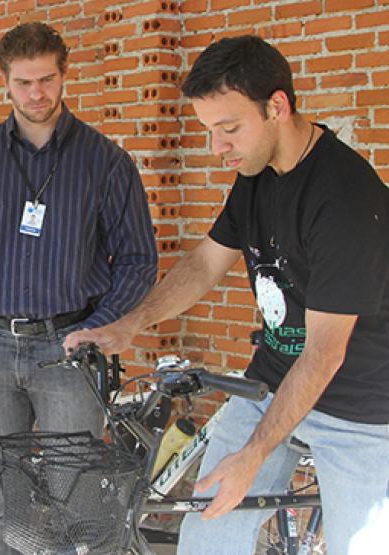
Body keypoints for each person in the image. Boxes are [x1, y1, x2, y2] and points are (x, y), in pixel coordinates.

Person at [64, 35, 389, 555]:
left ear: (277, 106)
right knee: (209, 535)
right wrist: (132, 322)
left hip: (359, 410)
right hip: (270, 386)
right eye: (210, 131)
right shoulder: (257, 174)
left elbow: (325, 352)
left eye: (229, 128)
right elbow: (203, 263)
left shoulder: (346, 200)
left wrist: (253, 456)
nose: (218, 148)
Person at [0, 22, 157, 554]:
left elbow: (140, 260)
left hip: (69, 349)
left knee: (80, 504)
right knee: (2, 502)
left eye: (46, 79)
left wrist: (99, 328)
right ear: (5, 82)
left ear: (65, 74)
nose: (36, 94)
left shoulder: (106, 163)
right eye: (23, 82)